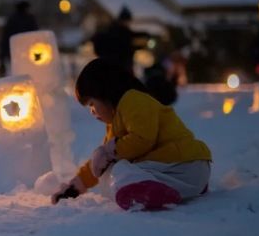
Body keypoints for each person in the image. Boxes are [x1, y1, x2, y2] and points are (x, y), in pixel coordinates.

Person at [51, 58, 212, 210]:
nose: (93, 112)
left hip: (184, 163)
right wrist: (76, 186)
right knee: (110, 171)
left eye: (92, 104)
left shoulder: (133, 100)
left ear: (105, 91)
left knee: (119, 170)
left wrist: (109, 152)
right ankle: (180, 189)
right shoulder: (115, 123)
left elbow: (142, 139)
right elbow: (99, 164)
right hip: (185, 173)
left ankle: (145, 193)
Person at [90, 6, 146, 73]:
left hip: (113, 65)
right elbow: (125, 47)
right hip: (119, 65)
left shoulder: (113, 30)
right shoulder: (120, 32)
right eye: (127, 21)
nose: (128, 24)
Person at [0, 0, 38, 76]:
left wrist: (2, 58)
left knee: (17, 73)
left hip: (14, 52)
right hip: (28, 51)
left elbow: (5, 38)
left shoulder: (11, 20)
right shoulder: (30, 19)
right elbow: (35, 35)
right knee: (29, 72)